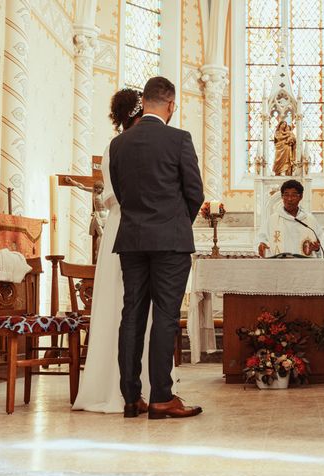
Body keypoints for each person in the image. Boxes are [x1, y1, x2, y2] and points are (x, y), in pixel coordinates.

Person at [110, 76, 204, 420]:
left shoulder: (118, 144)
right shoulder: (178, 139)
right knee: (165, 317)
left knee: (131, 314)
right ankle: (162, 396)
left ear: (145, 101)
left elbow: (122, 194)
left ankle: (132, 398)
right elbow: (195, 192)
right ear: (170, 105)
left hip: (132, 240)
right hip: (170, 241)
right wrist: (177, 223)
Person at [73, 88, 166, 414]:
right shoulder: (120, 147)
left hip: (123, 229)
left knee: (132, 309)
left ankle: (134, 388)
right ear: (138, 114)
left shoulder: (118, 146)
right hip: (129, 231)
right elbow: (115, 197)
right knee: (126, 308)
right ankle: (123, 388)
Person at [257, 179, 324, 258]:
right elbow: (261, 240)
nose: (289, 199)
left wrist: (317, 249)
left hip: (304, 267)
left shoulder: (310, 220)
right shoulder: (272, 220)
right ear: (282, 196)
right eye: (286, 195)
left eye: (293, 195)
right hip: (279, 267)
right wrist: (261, 246)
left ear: (301, 197)